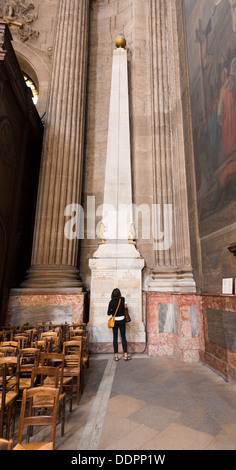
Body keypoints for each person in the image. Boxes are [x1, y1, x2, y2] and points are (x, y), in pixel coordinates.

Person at [107, 288, 131, 361]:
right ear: (119, 293)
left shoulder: (111, 302)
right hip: (122, 320)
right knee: (123, 337)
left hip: (115, 321)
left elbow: (108, 313)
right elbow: (125, 308)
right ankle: (126, 355)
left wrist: (113, 311)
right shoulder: (122, 299)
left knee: (115, 338)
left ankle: (116, 356)